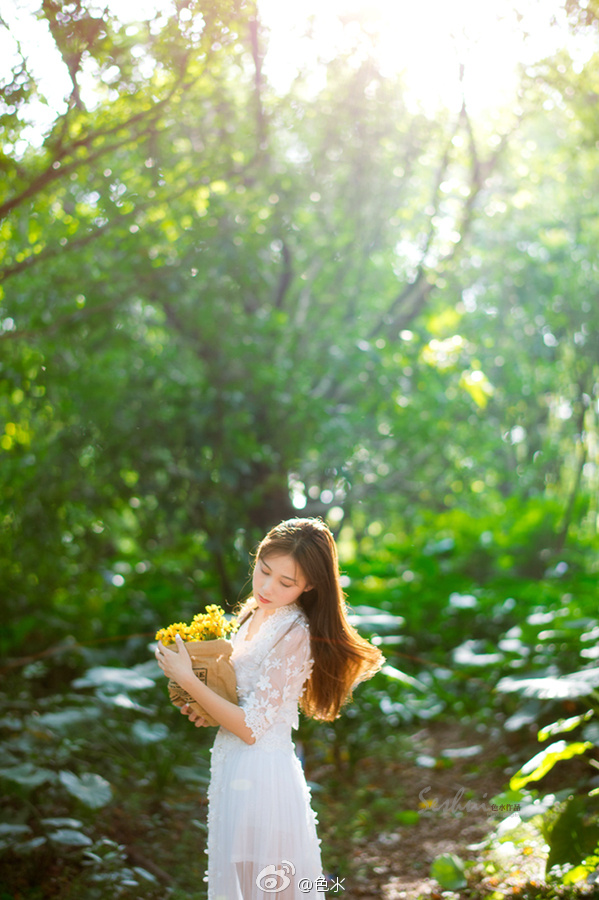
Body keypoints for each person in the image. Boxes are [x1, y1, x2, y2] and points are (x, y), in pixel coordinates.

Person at [155, 517, 383, 899]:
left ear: (310, 585)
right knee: (242, 884)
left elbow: (252, 727)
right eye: (264, 570)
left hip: (263, 774)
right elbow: (241, 701)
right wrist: (205, 709)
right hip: (231, 765)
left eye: (285, 582)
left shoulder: (295, 633)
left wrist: (189, 678)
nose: (266, 587)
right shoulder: (253, 612)